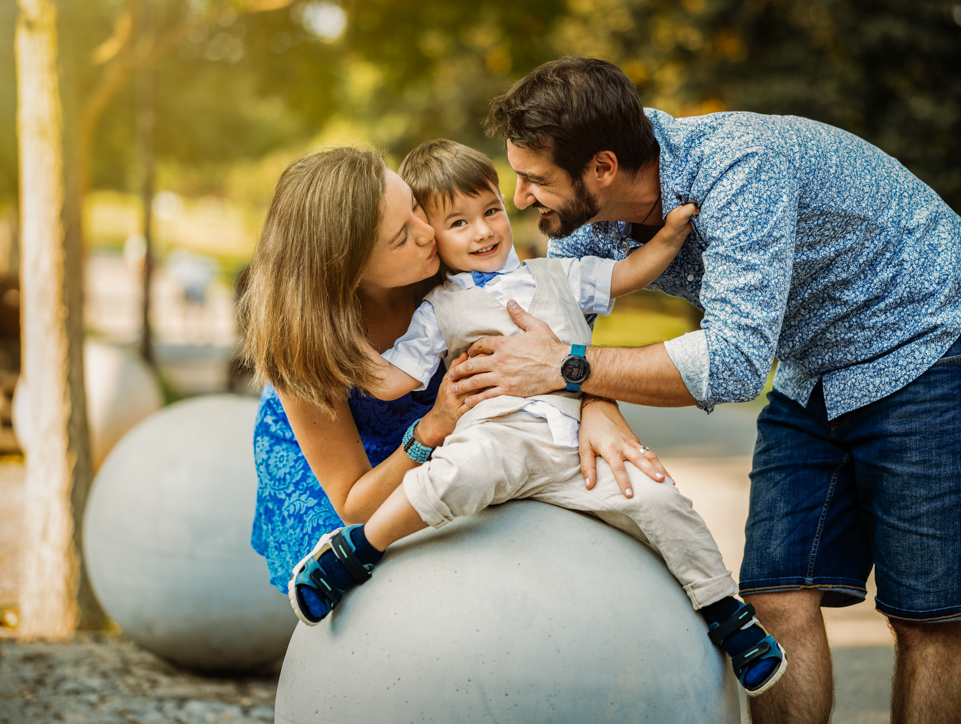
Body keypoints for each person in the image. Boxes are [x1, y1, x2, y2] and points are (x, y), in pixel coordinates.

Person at [451, 57, 961, 723]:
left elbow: (732, 363)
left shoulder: (741, 166)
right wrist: (596, 403)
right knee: (774, 596)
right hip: (815, 366)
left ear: (602, 167)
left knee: (925, 614)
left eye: (535, 179)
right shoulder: (582, 224)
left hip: (926, 332)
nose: (519, 199)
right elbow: (568, 334)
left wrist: (574, 370)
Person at [283, 139, 787, 696]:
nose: (447, 233)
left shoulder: (553, 272)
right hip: (475, 441)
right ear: (351, 264)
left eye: (490, 211)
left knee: (656, 495)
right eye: (412, 231)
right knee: (461, 471)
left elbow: (620, 284)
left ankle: (726, 612)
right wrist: (345, 362)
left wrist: (600, 399)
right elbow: (387, 384)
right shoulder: (438, 308)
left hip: (567, 442)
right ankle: (355, 552)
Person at [238, 144, 683, 672]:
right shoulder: (304, 346)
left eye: (415, 210)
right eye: (402, 235)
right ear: (349, 269)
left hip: (469, 432)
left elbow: (551, 316)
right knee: (384, 618)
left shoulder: (450, 254)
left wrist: (596, 402)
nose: (427, 233)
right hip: (353, 474)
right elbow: (354, 505)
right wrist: (434, 427)